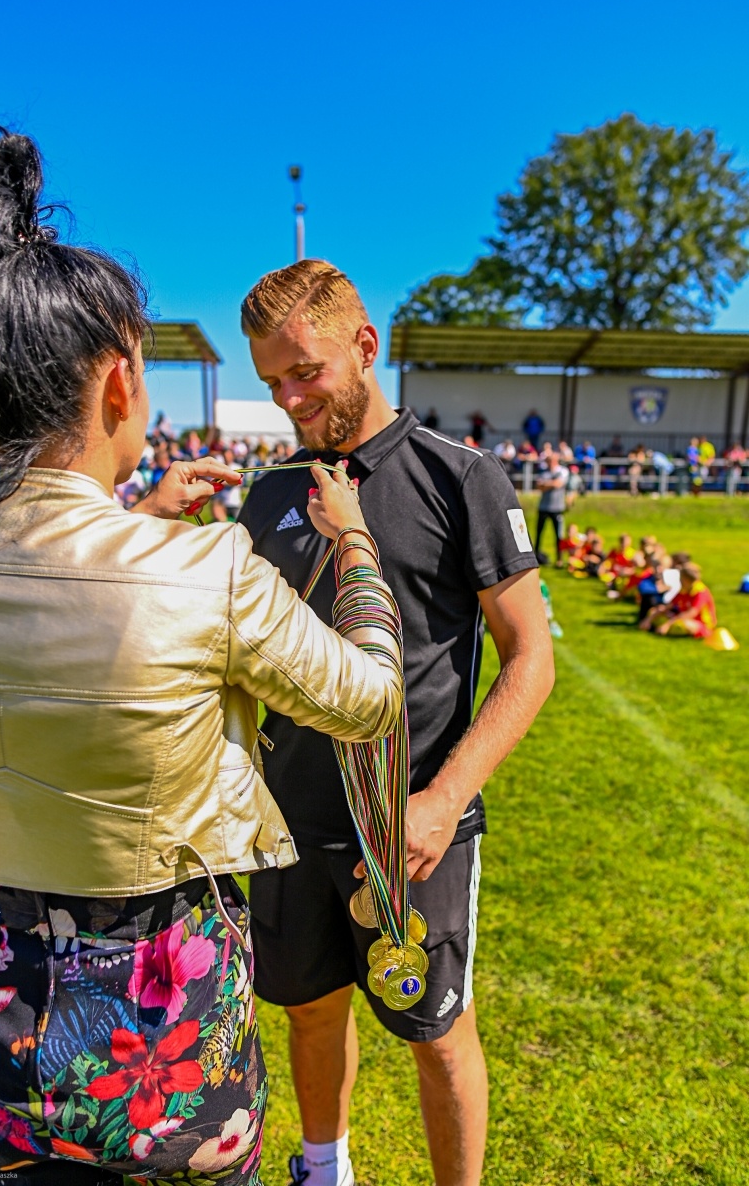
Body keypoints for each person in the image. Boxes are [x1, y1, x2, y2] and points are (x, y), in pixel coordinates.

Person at [0, 131, 405, 1186]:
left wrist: (131, 519)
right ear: (118, 384)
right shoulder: (211, 570)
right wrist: (358, 554)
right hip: (162, 1051)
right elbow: (371, 701)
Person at [237, 260, 555, 1186]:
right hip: (289, 824)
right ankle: (324, 1168)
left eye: (307, 373)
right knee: (308, 1010)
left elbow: (529, 655)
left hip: (416, 831)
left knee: (436, 1028)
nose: (290, 399)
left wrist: (445, 799)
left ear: (365, 349)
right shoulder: (270, 493)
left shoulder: (460, 477)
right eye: (272, 383)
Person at [639, 563, 717, 638]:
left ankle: (662, 628)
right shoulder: (684, 589)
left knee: (684, 625)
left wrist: (667, 624)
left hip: (700, 624)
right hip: (679, 618)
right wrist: (648, 619)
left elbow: (690, 613)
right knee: (654, 611)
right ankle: (656, 627)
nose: (679, 580)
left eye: (681, 578)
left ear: (687, 579)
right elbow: (668, 606)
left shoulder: (700, 592)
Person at [535, 451, 569, 568]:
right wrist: (550, 484)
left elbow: (558, 484)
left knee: (558, 535)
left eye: (551, 460)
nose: (549, 463)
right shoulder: (544, 472)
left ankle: (559, 559)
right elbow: (539, 486)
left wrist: (546, 484)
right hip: (543, 507)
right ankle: (536, 556)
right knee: (539, 534)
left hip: (557, 508)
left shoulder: (562, 471)